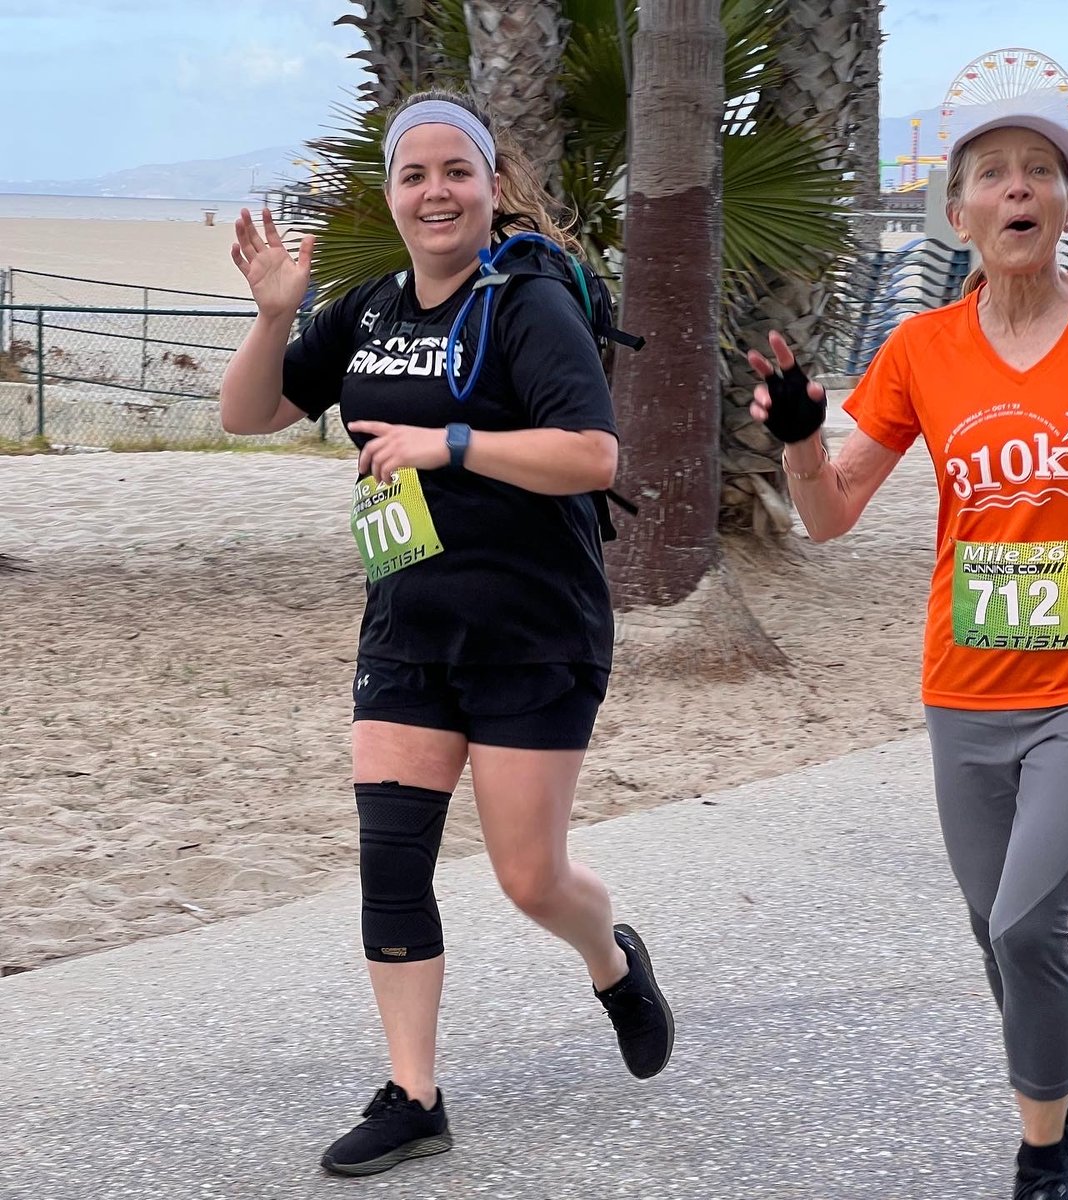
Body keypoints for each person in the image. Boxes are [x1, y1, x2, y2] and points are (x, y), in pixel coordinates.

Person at [748, 101, 1068, 1200]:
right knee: (994, 937)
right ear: (958, 215)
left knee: (1028, 920)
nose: (1017, 188)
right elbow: (830, 514)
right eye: (993, 175)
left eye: (1039, 172)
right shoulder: (922, 348)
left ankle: (1045, 1157)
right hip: (966, 683)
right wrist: (805, 440)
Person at [219, 89, 674, 1178]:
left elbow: (593, 457)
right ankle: (413, 1093)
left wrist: (450, 443)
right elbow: (249, 414)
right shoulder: (371, 310)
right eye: (415, 174)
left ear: (490, 186)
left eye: (455, 172)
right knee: (391, 862)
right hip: (409, 626)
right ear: (392, 194)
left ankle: (612, 960)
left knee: (530, 878)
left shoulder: (526, 305)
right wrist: (278, 314)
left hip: (535, 629)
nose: (436, 191)